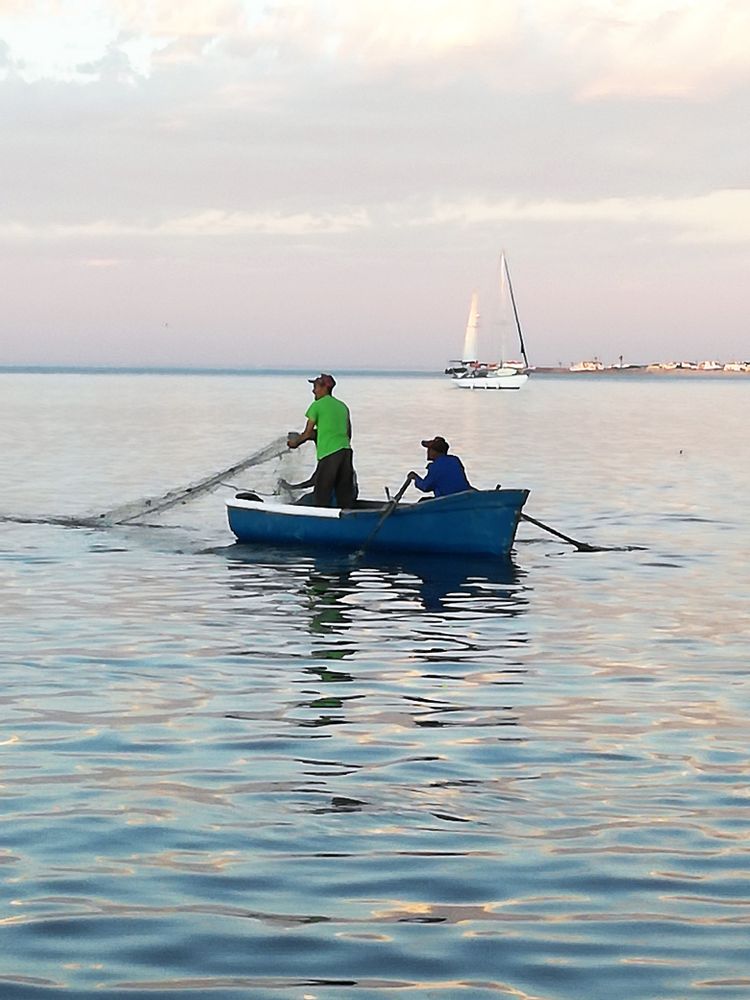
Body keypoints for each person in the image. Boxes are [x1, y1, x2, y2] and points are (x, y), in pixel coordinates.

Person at [287, 373, 356, 508]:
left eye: (315, 387)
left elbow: (307, 433)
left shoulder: (317, 405)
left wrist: (294, 443)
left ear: (325, 388)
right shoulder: (342, 406)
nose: (313, 391)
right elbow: (348, 434)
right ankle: (346, 518)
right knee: (344, 497)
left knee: (321, 495)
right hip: (346, 453)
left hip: (329, 455)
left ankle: (321, 518)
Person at [407, 436, 472, 498]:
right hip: (464, 496)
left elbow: (425, 487)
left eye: (430, 449)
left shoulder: (435, 466)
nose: (428, 451)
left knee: (422, 500)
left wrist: (415, 477)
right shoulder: (455, 460)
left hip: (448, 500)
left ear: (434, 451)